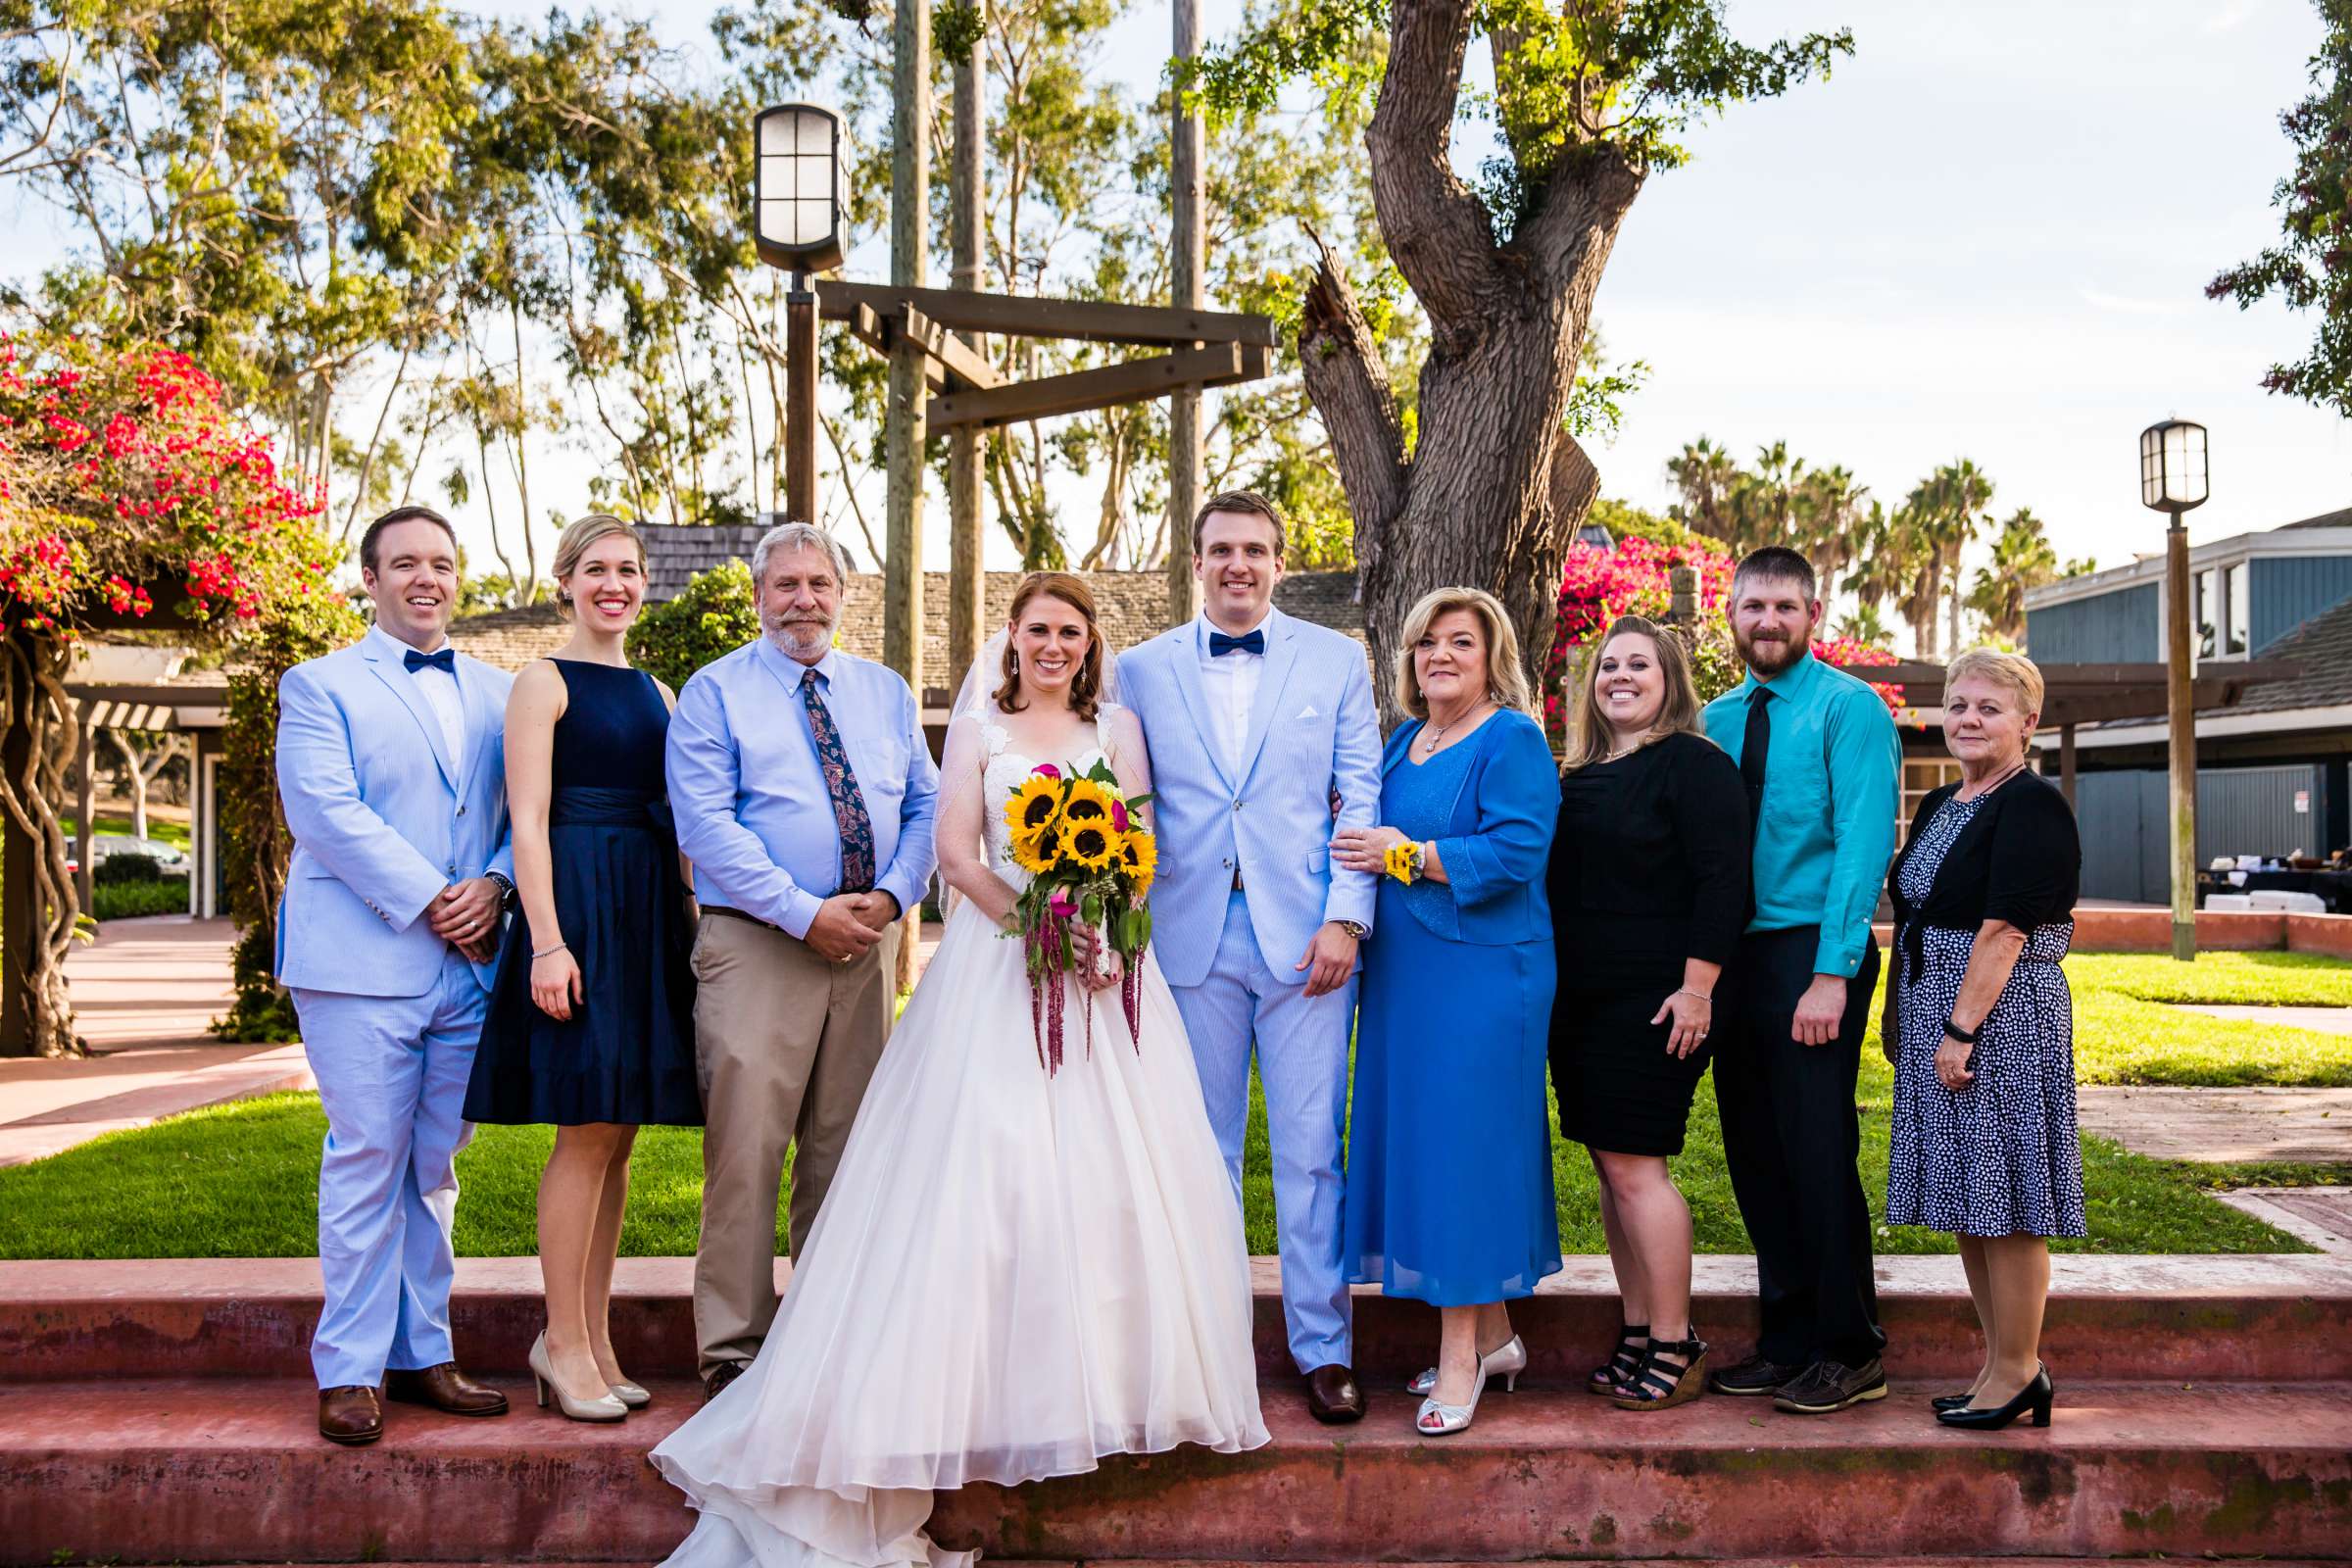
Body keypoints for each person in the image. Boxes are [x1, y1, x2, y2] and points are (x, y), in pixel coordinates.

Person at [649, 571, 1267, 1568]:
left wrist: (1100, 912)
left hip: (1107, 967)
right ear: (1012, 638)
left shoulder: (1119, 731)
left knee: (1116, 1174)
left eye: (1070, 630)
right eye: (1038, 629)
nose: (1054, 644)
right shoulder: (977, 731)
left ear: (1089, 642)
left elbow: (1143, 841)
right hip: (1001, 958)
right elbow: (953, 851)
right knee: (983, 1165)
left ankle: (1101, 1383)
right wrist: (1035, 919)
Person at [1115, 490, 1385, 1424]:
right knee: (1204, 1152)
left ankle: (1323, 1349)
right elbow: (1120, 798)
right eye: (1221, 550)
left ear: (1280, 560)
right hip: (1186, 936)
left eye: (1255, 551)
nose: (1238, 565)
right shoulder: (1139, 670)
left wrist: (1347, 920)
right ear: (1197, 563)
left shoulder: (1337, 657)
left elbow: (1359, 794)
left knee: (1313, 1154)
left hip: (1306, 938)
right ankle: (1216, 1348)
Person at [664, 521, 941, 1402]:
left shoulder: (886, 691)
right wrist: (801, 910)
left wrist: (894, 896)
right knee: (747, 1145)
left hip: (869, 943)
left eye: (819, 584)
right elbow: (705, 825)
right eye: (785, 586)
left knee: (845, 1148)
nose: (803, 601)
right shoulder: (714, 694)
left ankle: (827, 1336)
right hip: (758, 943)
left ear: (842, 594)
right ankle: (735, 1350)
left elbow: (929, 804)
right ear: (758, 597)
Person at [274, 505, 516, 1446]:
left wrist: (494, 885)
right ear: (369, 580)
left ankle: (423, 1354)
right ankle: (349, 1369)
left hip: (472, 965)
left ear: (459, 581)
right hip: (362, 962)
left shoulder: (504, 691)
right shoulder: (319, 683)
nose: (427, 578)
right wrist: (432, 898)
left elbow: (522, 811)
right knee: (370, 1157)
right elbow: (325, 812)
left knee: (434, 1166)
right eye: (405, 563)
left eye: (443, 564)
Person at [464, 514, 700, 1422]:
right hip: (580, 917)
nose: (615, 583)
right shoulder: (540, 683)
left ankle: (592, 1337)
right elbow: (526, 821)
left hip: (647, 919)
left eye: (629, 570)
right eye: (596, 568)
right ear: (564, 580)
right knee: (587, 1129)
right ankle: (560, 1343)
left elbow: (679, 825)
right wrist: (550, 942)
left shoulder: (660, 692)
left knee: (624, 1130)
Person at [1333, 587, 1561, 1436]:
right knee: (1425, 1151)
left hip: (1483, 977)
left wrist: (1408, 854)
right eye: (1427, 643)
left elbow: (1517, 850)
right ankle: (1496, 1336)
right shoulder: (1403, 740)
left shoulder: (1512, 738)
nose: (1440, 656)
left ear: (1490, 654)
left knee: (1465, 1157)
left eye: (1459, 643)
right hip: (1406, 975)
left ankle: (1461, 1360)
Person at [1698, 546, 1900, 1416]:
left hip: (1809, 955)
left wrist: (1830, 975)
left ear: (1814, 615)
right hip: (1732, 959)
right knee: (1754, 1151)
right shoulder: (1715, 716)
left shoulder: (1849, 710)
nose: (1768, 621)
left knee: (1816, 1152)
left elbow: (1861, 845)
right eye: (1752, 607)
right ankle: (1786, 1340)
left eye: (1785, 606)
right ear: (1731, 616)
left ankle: (1851, 1348)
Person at [1547, 615, 1749, 1411]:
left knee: (1639, 1167)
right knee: (1610, 1165)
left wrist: (1698, 988)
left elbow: (1723, 883)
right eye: (1608, 666)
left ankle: (1677, 1339)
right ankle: (1636, 1329)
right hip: (1582, 999)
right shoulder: (1580, 773)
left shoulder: (1695, 766)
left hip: (1658, 999)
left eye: (1639, 665)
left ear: (1670, 679)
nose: (1620, 677)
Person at [1885, 649, 2082, 1432]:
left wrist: (1961, 1029)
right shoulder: (1941, 805)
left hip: (2002, 1016)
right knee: (1973, 1198)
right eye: (1958, 705)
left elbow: (2002, 932)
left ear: (2027, 724)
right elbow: (1920, 914)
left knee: (2010, 1204)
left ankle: (2019, 1369)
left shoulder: (2031, 806)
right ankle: (2000, 1364)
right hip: (1942, 1006)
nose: (1968, 719)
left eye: (1989, 709)